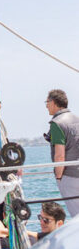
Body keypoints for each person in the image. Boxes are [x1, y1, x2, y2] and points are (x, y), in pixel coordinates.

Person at [45, 89, 79, 217]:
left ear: (53, 102)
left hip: (70, 177)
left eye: (47, 102)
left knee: (76, 216)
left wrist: (59, 177)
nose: (47, 106)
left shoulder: (57, 124)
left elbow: (59, 156)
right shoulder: (77, 119)